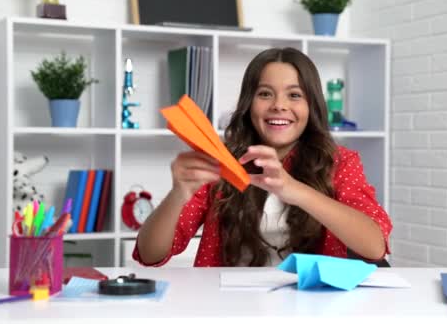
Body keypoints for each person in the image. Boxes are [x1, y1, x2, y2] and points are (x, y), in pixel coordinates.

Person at [134, 47, 392, 267]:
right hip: (229, 306)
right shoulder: (221, 162)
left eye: (294, 95)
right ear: (249, 104)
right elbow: (149, 254)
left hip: (311, 306)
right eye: (265, 93)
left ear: (311, 106)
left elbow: (374, 246)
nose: (279, 105)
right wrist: (178, 194)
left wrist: (294, 189)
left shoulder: (340, 162)